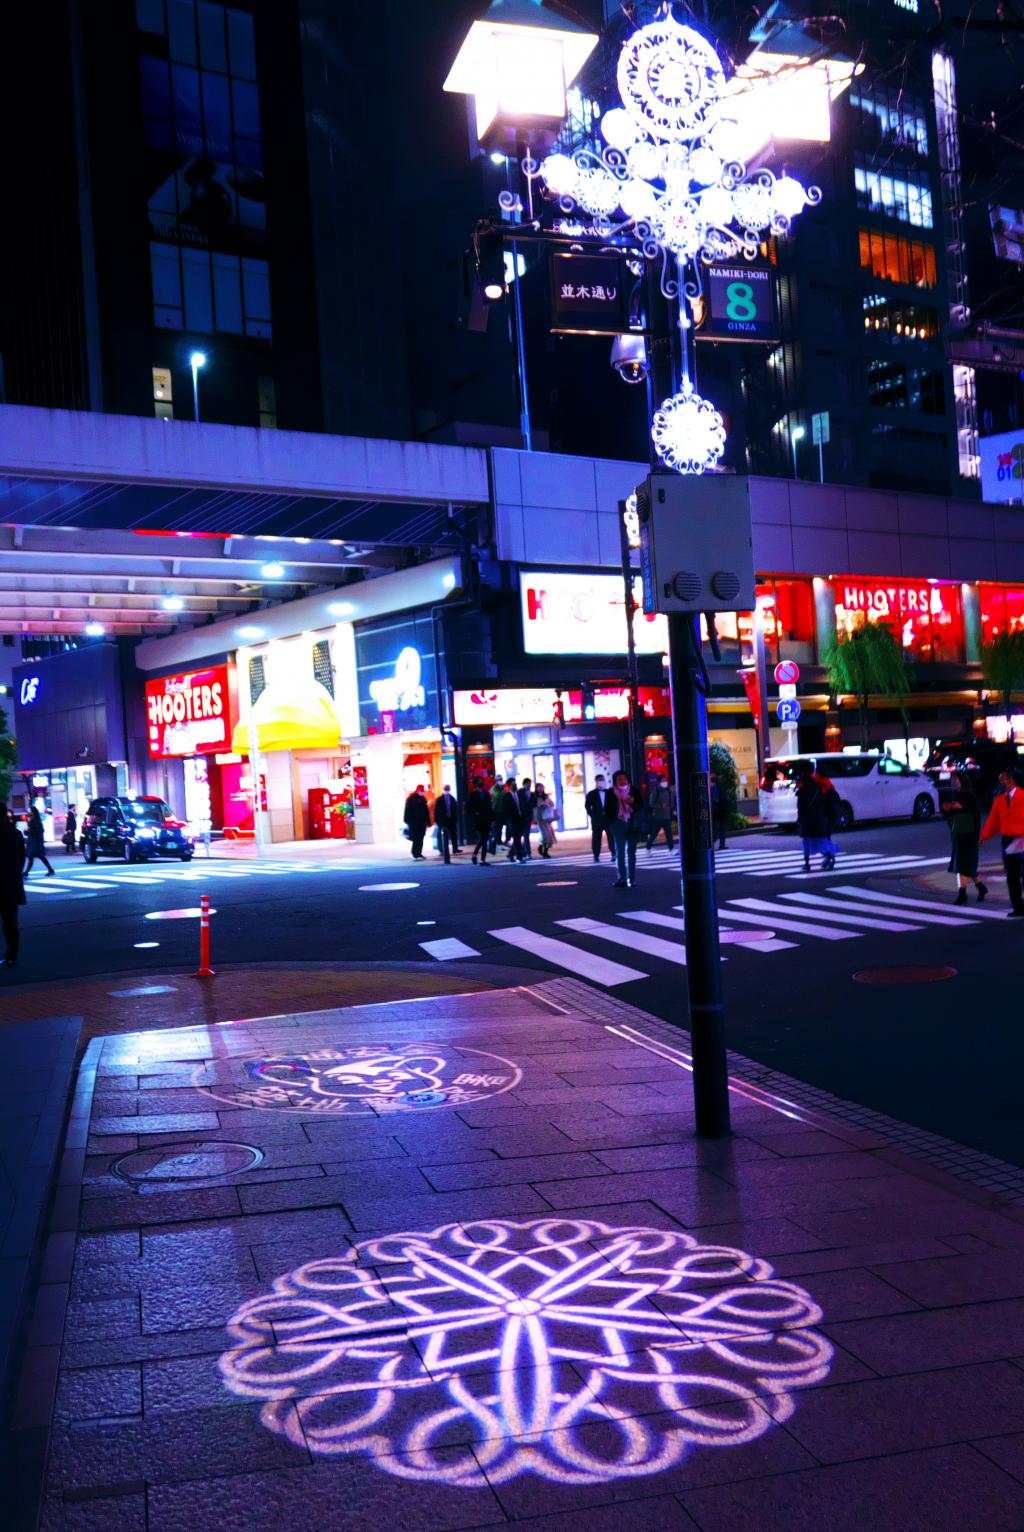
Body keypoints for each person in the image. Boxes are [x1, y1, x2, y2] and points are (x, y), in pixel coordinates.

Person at [980, 767, 1024, 918]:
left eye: (1002, 779)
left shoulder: (1022, 797)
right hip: (1008, 840)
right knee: (1012, 875)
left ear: (1010, 780)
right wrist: (984, 835)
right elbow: (993, 821)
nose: (1000, 783)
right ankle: (1018, 907)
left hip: (1022, 839)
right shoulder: (999, 800)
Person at [942, 769, 987, 905]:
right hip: (959, 833)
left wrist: (960, 807)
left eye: (956, 780)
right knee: (965, 864)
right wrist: (949, 809)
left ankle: (963, 894)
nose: (954, 782)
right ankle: (980, 887)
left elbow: (974, 814)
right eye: (952, 780)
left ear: (962, 781)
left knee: (963, 864)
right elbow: (950, 815)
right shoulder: (955, 794)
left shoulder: (969, 795)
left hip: (969, 834)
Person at [605, 769, 643, 889]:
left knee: (631, 852)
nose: (622, 781)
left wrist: (631, 803)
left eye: (624, 778)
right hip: (617, 823)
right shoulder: (611, 792)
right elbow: (607, 809)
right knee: (620, 852)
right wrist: (611, 824)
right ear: (615, 781)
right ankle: (621, 878)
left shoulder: (634, 790)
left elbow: (641, 806)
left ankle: (632, 879)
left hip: (632, 823)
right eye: (619, 779)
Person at [0, 804, 26, 968]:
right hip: (11, 883)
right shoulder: (15, 833)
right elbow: (21, 860)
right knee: (11, 923)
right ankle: (12, 956)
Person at [796, 766, 833, 872]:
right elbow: (822, 802)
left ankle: (807, 863)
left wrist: (800, 818)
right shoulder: (818, 789)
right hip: (818, 819)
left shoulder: (802, 791)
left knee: (806, 842)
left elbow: (800, 808)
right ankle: (829, 856)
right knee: (819, 840)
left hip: (806, 821)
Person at [467, 777, 494, 866]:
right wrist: (475, 812)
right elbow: (469, 807)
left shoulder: (486, 794)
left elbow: (490, 807)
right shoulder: (473, 795)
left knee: (484, 839)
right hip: (478, 820)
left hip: (486, 820)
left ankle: (482, 859)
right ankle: (475, 855)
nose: (481, 784)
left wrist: (492, 819)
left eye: (481, 782)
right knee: (482, 838)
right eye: (479, 783)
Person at [498, 777, 525, 862]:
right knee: (516, 838)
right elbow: (504, 810)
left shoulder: (520, 794)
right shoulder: (506, 796)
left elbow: (524, 805)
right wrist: (508, 819)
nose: (515, 785)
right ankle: (519, 856)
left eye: (515, 784)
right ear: (509, 786)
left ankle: (511, 854)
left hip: (521, 819)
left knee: (519, 837)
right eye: (513, 784)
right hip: (512, 819)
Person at [433, 784, 460, 865]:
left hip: (451, 819)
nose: (447, 790)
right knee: (441, 835)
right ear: (443, 789)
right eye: (446, 789)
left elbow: (455, 809)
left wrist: (455, 819)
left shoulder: (452, 799)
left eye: (448, 789)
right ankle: (441, 850)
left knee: (453, 834)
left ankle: (455, 848)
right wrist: (437, 821)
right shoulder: (439, 799)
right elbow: (436, 811)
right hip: (442, 820)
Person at [647, 775, 676, 852]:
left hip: (667, 816)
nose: (664, 782)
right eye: (662, 780)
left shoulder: (669, 791)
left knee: (669, 834)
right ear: (659, 782)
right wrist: (660, 805)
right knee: (654, 834)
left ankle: (671, 849)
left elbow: (672, 802)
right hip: (658, 817)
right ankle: (648, 847)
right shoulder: (655, 791)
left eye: (665, 780)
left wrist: (671, 806)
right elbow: (651, 804)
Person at [24, 806, 54, 877]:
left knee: (36, 857)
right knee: (36, 857)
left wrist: (28, 831)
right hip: (33, 841)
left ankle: (26, 872)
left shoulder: (36, 819)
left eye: (30, 810)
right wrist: (27, 831)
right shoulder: (33, 819)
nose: (29, 811)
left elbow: (39, 831)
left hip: (35, 842)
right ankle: (50, 869)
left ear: (33, 811)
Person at [403, 784, 431, 861]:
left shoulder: (422, 798)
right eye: (422, 791)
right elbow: (407, 810)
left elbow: (426, 811)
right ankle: (415, 853)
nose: (423, 792)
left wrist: (428, 822)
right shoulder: (411, 799)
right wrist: (407, 821)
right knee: (416, 838)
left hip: (422, 822)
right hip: (414, 823)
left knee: (421, 838)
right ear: (418, 790)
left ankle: (419, 852)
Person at [585, 774, 608, 862]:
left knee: (611, 836)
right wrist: (592, 815)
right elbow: (587, 806)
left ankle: (613, 853)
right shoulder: (592, 794)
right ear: (596, 781)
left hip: (607, 818)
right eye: (599, 780)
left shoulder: (608, 792)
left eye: (602, 780)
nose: (601, 782)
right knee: (596, 837)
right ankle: (596, 855)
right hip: (597, 819)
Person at [535, 785, 557, 857]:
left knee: (549, 837)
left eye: (542, 787)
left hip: (546, 818)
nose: (541, 789)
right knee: (544, 835)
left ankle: (544, 850)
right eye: (539, 787)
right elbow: (536, 805)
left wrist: (547, 804)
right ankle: (542, 849)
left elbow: (552, 803)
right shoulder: (534, 797)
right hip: (539, 818)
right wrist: (542, 804)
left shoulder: (545, 796)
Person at [518, 777, 536, 860]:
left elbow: (534, 804)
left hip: (528, 817)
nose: (529, 785)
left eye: (530, 784)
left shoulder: (532, 794)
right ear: (524, 784)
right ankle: (521, 852)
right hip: (520, 817)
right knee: (520, 836)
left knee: (526, 836)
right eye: (528, 784)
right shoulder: (519, 792)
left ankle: (527, 852)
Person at [710, 775, 728, 852]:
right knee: (721, 828)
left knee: (714, 828)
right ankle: (722, 844)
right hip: (721, 811)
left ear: (711, 781)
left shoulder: (711, 789)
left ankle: (713, 843)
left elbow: (716, 799)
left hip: (715, 811)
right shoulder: (720, 787)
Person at [488, 776, 505, 855]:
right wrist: (503, 792)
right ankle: (496, 843)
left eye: (501, 779)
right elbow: (498, 795)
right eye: (499, 780)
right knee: (495, 828)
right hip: (495, 811)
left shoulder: (503, 787)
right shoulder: (494, 788)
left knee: (500, 828)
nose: (500, 781)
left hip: (502, 811)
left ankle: (499, 843)